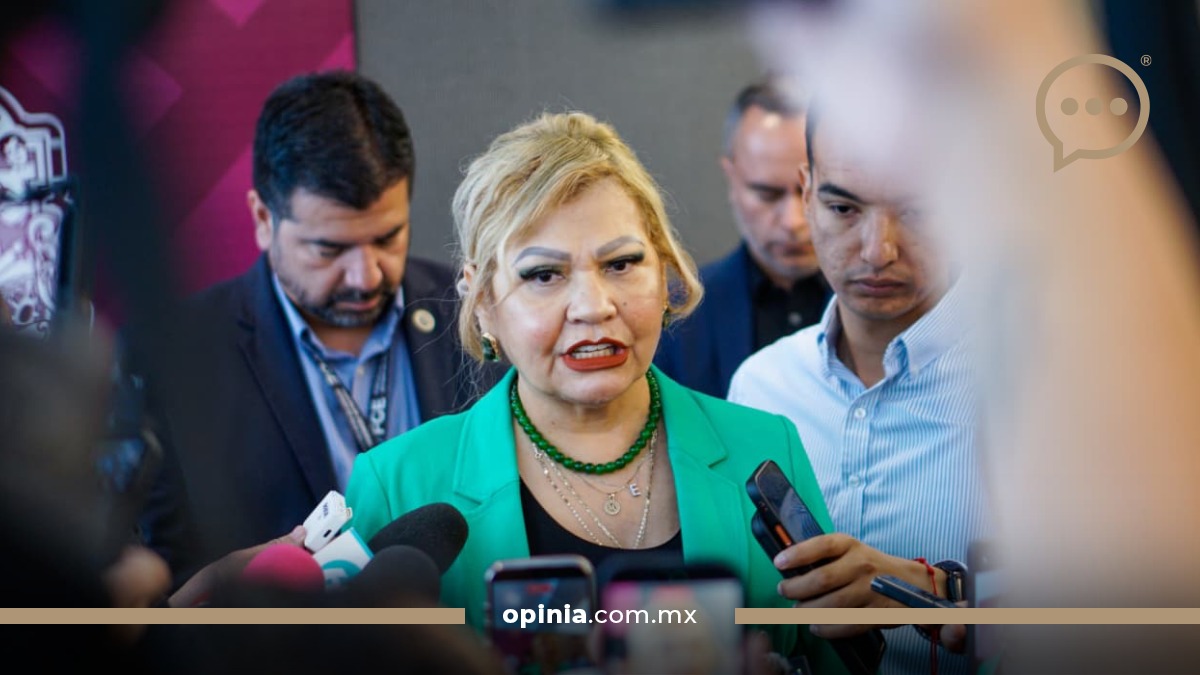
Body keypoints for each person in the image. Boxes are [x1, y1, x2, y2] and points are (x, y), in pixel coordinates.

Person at [346, 111, 845, 671]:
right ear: (482, 299)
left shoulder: (766, 447)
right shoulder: (397, 484)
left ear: (664, 271)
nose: (593, 306)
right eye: (544, 275)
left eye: (622, 263)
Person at [138, 70, 496, 584]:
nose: (366, 275)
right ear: (263, 219)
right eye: (329, 249)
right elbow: (161, 584)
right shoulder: (174, 356)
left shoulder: (480, 311)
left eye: (388, 238)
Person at [728, 103, 990, 675]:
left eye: (917, 210)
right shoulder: (760, 385)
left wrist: (934, 587)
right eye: (844, 208)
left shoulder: (1039, 383)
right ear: (806, 194)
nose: (878, 250)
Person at [655, 81, 828, 398]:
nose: (793, 221)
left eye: (810, 191)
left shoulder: (894, 302)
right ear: (731, 177)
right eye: (766, 194)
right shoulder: (675, 317)